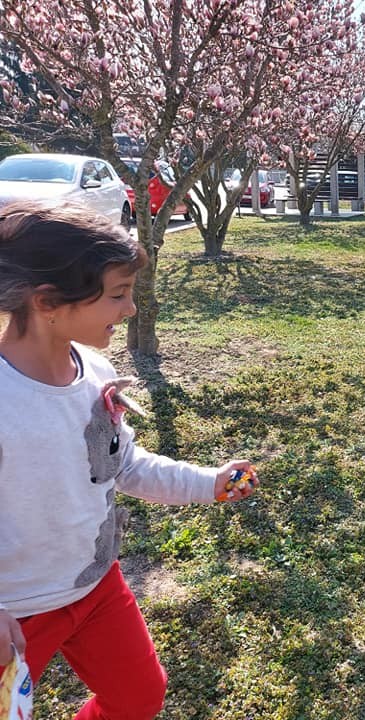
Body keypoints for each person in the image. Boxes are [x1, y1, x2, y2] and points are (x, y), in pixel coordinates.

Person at [0, 201, 260, 719]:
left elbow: (124, 463)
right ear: (48, 301)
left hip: (96, 587)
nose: (131, 310)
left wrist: (207, 483)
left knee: (138, 697)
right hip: (16, 611)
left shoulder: (94, 370)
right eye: (118, 294)